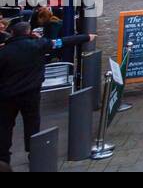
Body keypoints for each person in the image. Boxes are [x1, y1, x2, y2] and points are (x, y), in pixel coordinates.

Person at [0, 22, 95, 164]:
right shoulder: (38, 45)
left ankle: (3, 159)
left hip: (7, 96)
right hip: (30, 93)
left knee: (4, 127)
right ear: (29, 32)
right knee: (32, 123)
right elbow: (62, 42)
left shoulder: (4, 52)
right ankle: (35, 153)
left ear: (12, 33)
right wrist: (86, 37)